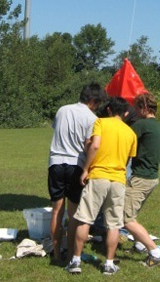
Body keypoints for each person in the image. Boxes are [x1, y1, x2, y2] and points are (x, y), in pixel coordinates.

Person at [65, 97, 137, 275]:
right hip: (118, 180)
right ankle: (109, 264)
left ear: (110, 110)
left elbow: (95, 145)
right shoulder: (131, 133)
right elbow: (128, 160)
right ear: (126, 113)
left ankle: (75, 261)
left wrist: (85, 169)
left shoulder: (100, 122)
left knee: (85, 219)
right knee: (113, 224)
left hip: (98, 176)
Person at [48, 83, 107, 263]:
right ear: (92, 101)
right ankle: (71, 252)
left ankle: (56, 253)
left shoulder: (62, 110)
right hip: (75, 165)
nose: (97, 107)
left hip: (55, 162)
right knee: (73, 211)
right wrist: (87, 167)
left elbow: (57, 130)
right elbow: (88, 145)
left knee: (57, 210)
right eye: (97, 103)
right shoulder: (92, 118)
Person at [123, 92, 160, 268]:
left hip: (141, 179)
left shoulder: (142, 125)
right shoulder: (156, 126)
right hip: (151, 178)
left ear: (145, 108)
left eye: (136, 107)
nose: (134, 110)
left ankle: (156, 254)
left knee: (126, 220)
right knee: (132, 214)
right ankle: (140, 245)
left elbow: (124, 139)